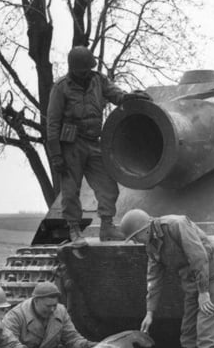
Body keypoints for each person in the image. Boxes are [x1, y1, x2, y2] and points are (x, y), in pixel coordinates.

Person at [120, 209, 214, 348]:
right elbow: (154, 278)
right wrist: (150, 312)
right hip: (192, 282)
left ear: (145, 229)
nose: (134, 241)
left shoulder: (176, 225)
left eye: (134, 236)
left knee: (207, 327)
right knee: (188, 330)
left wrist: (204, 292)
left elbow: (199, 256)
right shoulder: (151, 244)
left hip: (213, 275)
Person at [46, 46, 152, 247]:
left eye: (89, 67)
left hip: (94, 141)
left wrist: (129, 97)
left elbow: (115, 94)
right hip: (71, 145)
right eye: (83, 69)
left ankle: (107, 226)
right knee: (70, 190)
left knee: (108, 186)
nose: (87, 72)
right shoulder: (61, 87)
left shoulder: (98, 80)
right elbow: (52, 123)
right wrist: (56, 155)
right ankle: (74, 229)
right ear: (74, 69)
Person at [2, 281, 97, 348]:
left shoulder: (60, 311)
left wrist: (87, 346)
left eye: (54, 305)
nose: (52, 310)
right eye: (48, 306)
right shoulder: (15, 317)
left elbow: (71, 338)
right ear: (36, 301)